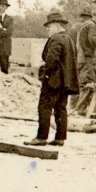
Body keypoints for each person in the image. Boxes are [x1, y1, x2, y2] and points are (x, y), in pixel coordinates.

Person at [35, 11, 72, 144]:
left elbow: (51, 59)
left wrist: (45, 74)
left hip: (53, 81)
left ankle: (41, 137)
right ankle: (60, 138)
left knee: (44, 107)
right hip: (65, 82)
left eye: (49, 27)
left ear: (56, 25)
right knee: (61, 109)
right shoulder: (68, 39)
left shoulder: (56, 39)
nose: (47, 29)